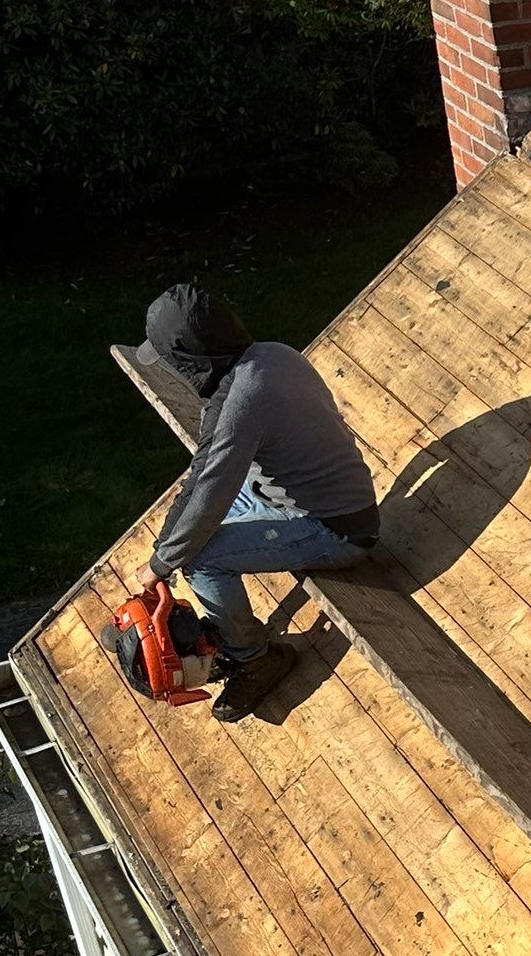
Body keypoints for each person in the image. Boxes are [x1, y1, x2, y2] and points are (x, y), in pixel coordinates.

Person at [138, 285, 380, 724]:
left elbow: (208, 493)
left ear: (188, 360)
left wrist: (162, 566)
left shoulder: (239, 402)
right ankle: (225, 619)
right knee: (190, 531)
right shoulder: (273, 353)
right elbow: (203, 476)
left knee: (200, 557)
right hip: (324, 495)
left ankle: (253, 658)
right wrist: (160, 556)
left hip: (334, 528)